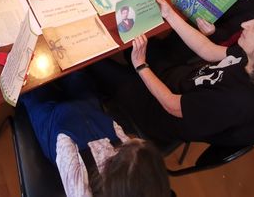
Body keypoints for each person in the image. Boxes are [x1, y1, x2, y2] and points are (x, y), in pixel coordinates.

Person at [89, 0, 254, 148]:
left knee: (95, 63)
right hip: (183, 82)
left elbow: (172, 105)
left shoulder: (238, 100)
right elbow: (208, 49)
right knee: (140, 44)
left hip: (161, 116)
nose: (244, 25)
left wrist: (141, 66)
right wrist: (170, 14)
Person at [19, 73, 171, 197]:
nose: (134, 138)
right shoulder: (133, 178)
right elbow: (117, 130)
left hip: (60, 132)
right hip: (94, 119)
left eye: (127, 147)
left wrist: (70, 111)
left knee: (34, 88)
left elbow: (63, 143)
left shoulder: (81, 190)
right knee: (79, 76)